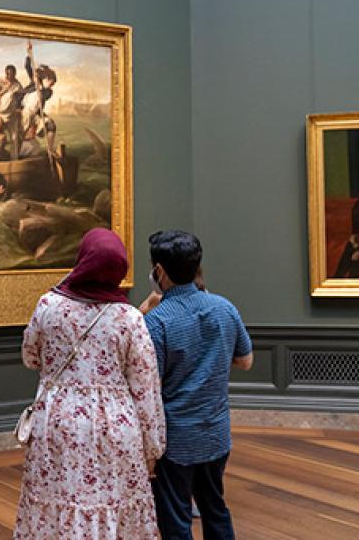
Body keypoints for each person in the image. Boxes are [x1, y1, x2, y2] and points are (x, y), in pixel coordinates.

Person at [16, 228, 165, 539]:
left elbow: (30, 357)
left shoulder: (48, 305)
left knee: (57, 501)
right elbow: (145, 386)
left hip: (57, 419)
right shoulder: (129, 318)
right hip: (116, 424)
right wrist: (152, 446)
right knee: (112, 502)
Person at [144, 230, 252, 540]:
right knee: (215, 509)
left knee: (176, 519)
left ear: (159, 271)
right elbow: (246, 361)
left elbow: (149, 382)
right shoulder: (224, 308)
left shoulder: (157, 322)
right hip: (216, 432)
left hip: (176, 439)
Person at [17, 40, 57, 159]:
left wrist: (41, 87)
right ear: (44, 78)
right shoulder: (33, 84)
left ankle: (50, 149)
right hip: (24, 113)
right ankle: (20, 154)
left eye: (52, 83)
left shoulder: (47, 91)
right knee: (24, 137)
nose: (51, 85)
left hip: (35, 115)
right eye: (50, 82)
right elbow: (27, 67)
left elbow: (45, 95)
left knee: (51, 125)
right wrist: (29, 52)